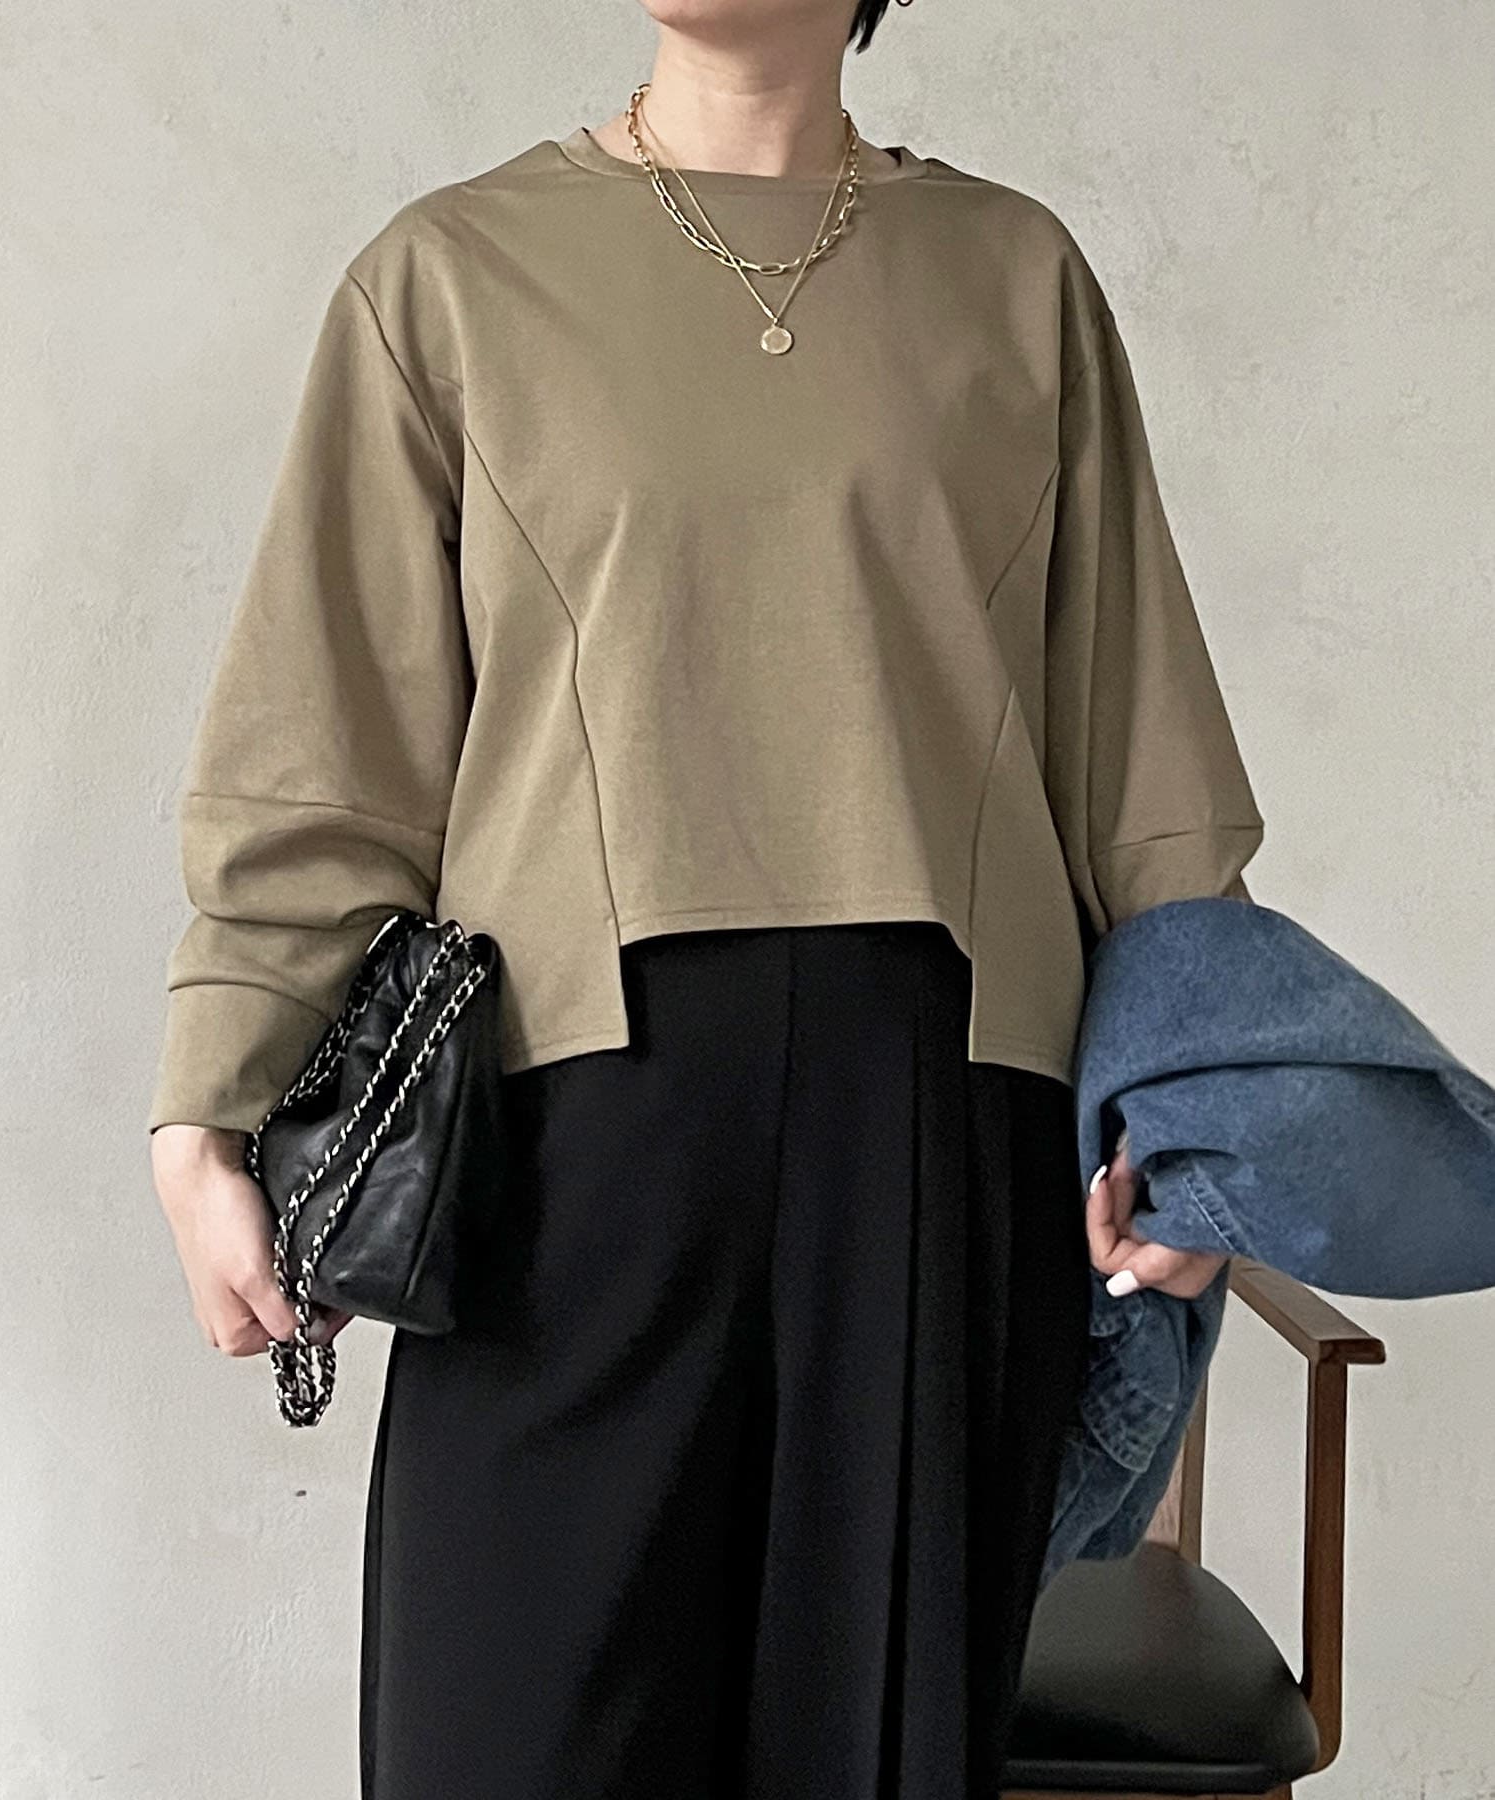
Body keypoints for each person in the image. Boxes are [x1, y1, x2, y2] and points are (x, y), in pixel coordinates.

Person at [148, 1, 1262, 1793]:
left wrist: (1207, 1126)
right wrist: (208, 1104)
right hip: (563, 1133)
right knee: (501, 1742)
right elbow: (326, 750)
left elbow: (1141, 763)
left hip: (938, 1122)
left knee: (872, 1743)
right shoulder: (451, 280)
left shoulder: (1014, 277)